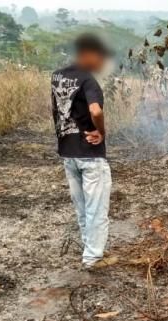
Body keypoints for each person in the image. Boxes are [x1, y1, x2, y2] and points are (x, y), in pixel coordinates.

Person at [51, 34, 112, 270]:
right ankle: (93, 258)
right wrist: (101, 131)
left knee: (82, 206)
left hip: (68, 152)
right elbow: (95, 111)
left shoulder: (57, 75)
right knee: (96, 209)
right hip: (90, 153)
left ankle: (89, 249)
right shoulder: (88, 80)